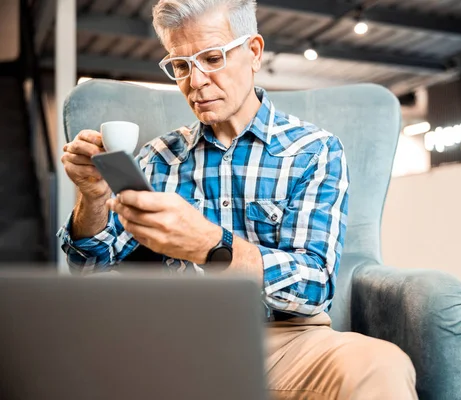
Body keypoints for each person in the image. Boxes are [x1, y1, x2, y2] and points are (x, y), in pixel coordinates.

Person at [58, 0, 417, 398]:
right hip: (178, 341)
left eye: (212, 58)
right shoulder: (157, 158)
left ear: (254, 52)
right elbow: (90, 267)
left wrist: (214, 247)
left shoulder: (314, 150)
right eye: (181, 66)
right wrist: (91, 199)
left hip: (292, 342)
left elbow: (316, 284)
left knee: (382, 366)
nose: (195, 82)